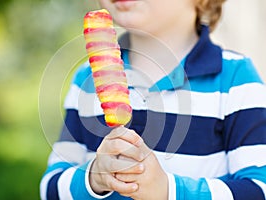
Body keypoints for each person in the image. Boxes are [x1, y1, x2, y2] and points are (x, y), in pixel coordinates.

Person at [40, 0, 266, 199]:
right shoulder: (86, 80)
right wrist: (94, 178)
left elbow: (259, 189)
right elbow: (50, 187)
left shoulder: (235, 79)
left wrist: (168, 190)